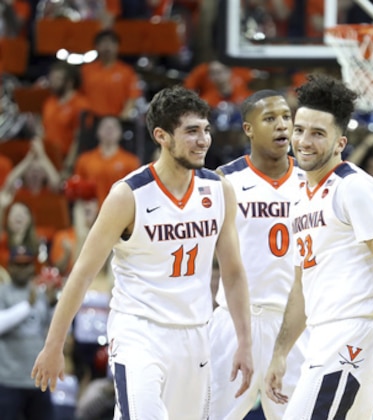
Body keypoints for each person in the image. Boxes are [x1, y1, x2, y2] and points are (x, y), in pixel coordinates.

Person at [30, 85, 254, 419]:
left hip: (195, 334)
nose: (204, 140)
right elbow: (82, 274)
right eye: (192, 131)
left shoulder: (219, 190)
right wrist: (53, 346)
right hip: (140, 334)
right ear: (162, 136)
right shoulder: (128, 196)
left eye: (206, 130)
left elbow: (233, 274)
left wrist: (245, 342)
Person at [264, 74, 373, 418]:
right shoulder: (300, 197)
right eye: (299, 130)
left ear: (340, 142)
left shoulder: (355, 188)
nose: (304, 140)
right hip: (321, 338)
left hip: (354, 337)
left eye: (318, 133)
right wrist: (281, 352)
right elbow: (301, 285)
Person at [209, 89, 306, 419]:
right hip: (237, 322)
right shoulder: (226, 180)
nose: (282, 126)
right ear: (248, 129)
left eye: (286, 118)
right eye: (270, 119)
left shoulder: (311, 180)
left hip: (294, 324)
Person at [0, 245, 57, 420]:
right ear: (10, 266)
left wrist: (53, 303)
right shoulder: (3, 292)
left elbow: (53, 328)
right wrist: (27, 306)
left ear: (33, 266)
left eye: (26, 264)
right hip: (9, 379)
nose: (23, 269)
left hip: (38, 380)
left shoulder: (39, 293)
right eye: (18, 264)